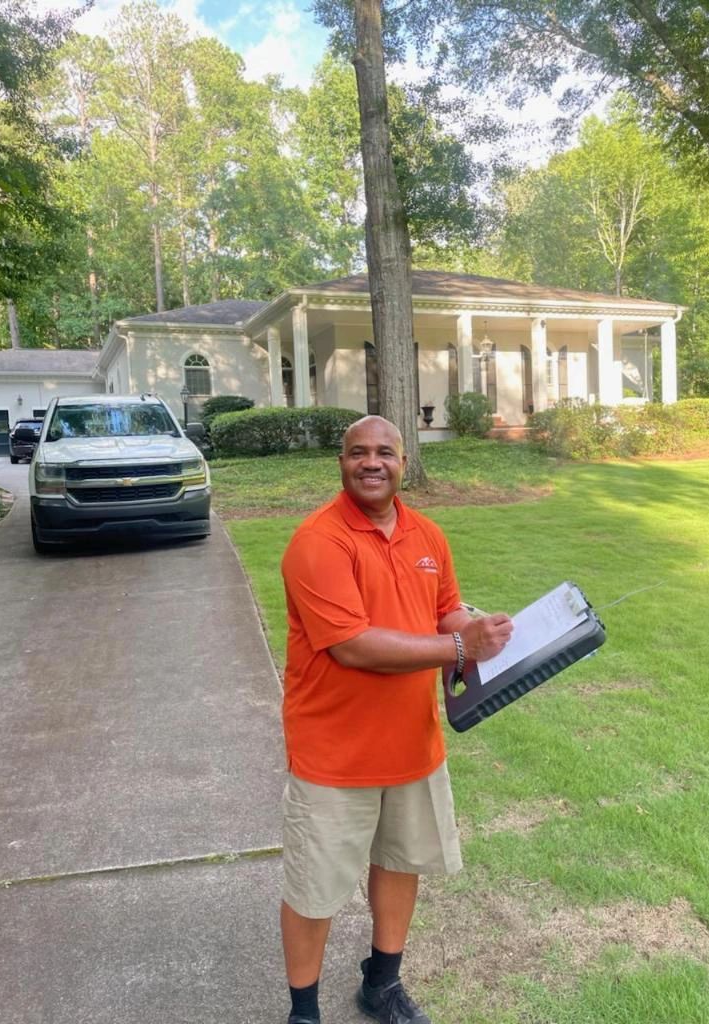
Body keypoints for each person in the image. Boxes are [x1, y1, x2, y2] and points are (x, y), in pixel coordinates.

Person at [280, 415, 513, 1024]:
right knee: (315, 889)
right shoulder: (319, 541)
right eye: (359, 452)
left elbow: (444, 611)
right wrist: (462, 650)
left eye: (385, 452)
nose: (372, 462)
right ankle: (304, 1012)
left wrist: (477, 630)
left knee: (401, 862)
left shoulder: (427, 534)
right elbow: (353, 645)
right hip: (334, 754)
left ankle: (381, 984)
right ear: (342, 462)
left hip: (412, 744)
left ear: (404, 463)